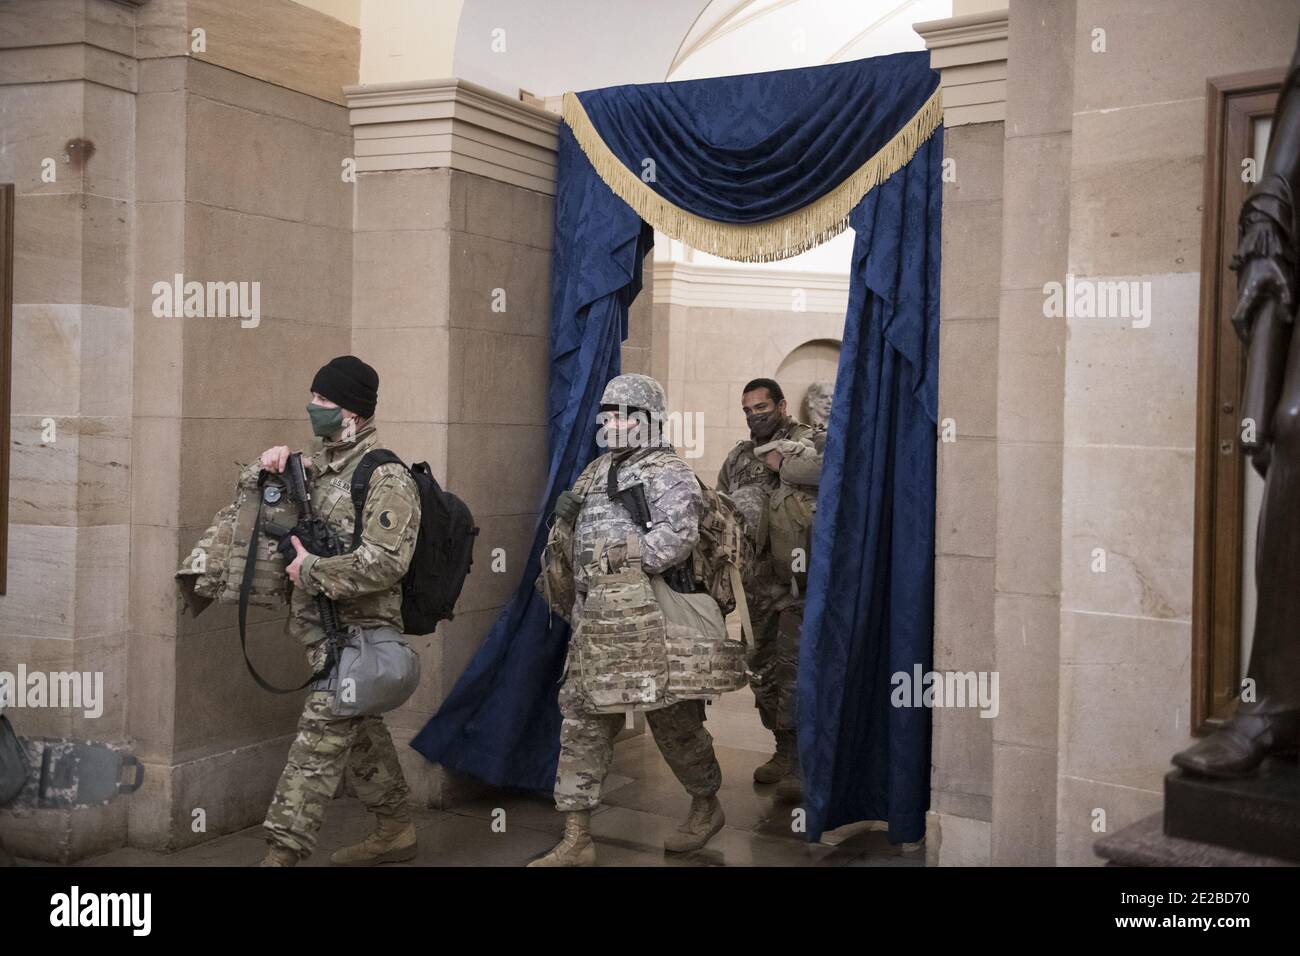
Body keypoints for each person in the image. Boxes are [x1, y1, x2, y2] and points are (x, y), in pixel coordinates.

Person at [530, 373, 725, 866]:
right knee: (582, 721)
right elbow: (569, 542)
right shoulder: (594, 472)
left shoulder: (669, 471)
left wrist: (614, 561)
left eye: (617, 415)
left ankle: (706, 803)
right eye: (605, 415)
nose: (608, 423)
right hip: (595, 624)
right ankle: (577, 835)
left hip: (650, 624)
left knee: (675, 725)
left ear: (646, 420)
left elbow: (677, 538)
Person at [256, 355, 423, 867]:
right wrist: (271, 469)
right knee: (363, 732)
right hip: (322, 634)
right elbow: (270, 515)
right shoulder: (320, 467)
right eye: (314, 397)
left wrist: (311, 572)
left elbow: (386, 562)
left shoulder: (386, 476)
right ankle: (395, 827)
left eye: (324, 400)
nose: (315, 407)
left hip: (362, 633)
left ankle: (281, 854)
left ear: (353, 409)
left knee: (319, 740)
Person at [716, 377, 825, 801]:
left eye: (761, 407)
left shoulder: (810, 442)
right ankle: (782, 749)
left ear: (782, 406)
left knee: (796, 671)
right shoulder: (740, 457)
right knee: (760, 672)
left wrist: (787, 465)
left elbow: (838, 475)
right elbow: (722, 511)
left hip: (801, 586)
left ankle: (802, 758)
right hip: (754, 587)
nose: (753, 416)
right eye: (747, 410)